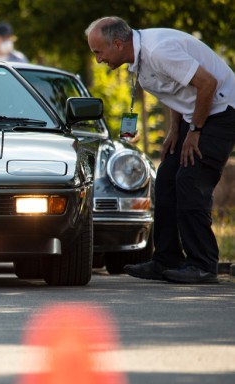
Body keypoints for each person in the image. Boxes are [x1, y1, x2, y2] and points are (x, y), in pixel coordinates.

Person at [86, 16, 235, 284]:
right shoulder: (138, 59)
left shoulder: (158, 50)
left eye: (99, 52)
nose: (98, 59)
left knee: (190, 180)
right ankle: (166, 258)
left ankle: (203, 264)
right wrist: (175, 130)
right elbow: (177, 89)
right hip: (196, 116)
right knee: (165, 179)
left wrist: (195, 131)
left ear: (118, 44)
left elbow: (208, 84)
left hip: (222, 112)